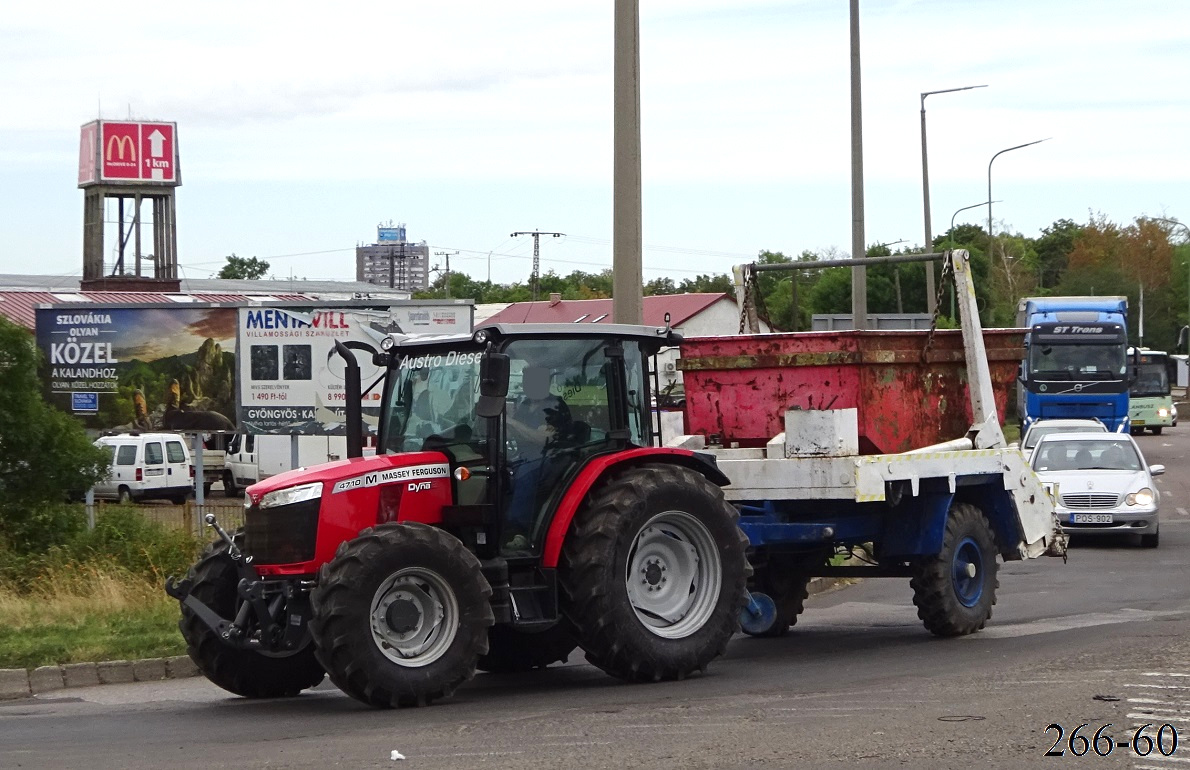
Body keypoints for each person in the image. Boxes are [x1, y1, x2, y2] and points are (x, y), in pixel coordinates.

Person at [503, 367, 571, 552]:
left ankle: (520, 532)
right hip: (524, 455)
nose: (528, 385)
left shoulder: (555, 406)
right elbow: (514, 432)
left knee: (525, 474)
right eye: (526, 381)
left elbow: (543, 438)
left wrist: (511, 422)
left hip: (551, 457)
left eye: (532, 381)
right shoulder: (524, 405)